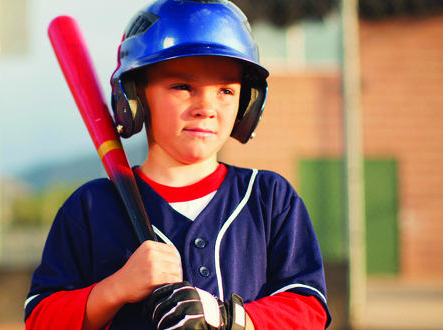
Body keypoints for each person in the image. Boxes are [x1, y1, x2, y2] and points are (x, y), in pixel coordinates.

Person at [25, 1, 330, 329]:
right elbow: (41, 319)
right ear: (135, 96)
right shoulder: (91, 207)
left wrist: (229, 319)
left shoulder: (269, 198)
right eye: (183, 87)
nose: (206, 108)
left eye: (226, 90)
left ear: (248, 102)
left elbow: (308, 308)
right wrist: (116, 288)